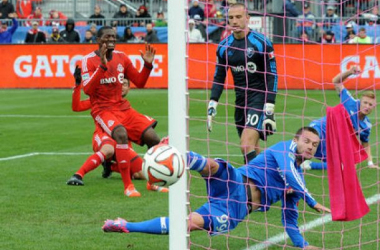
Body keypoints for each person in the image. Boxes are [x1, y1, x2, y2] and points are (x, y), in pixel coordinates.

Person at [102, 127, 331, 249]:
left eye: (314, 145)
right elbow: (289, 172)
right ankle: (176, 154)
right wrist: (313, 201)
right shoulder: (283, 151)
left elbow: (289, 220)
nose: (310, 147)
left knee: (190, 223)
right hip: (235, 181)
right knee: (213, 166)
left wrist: (303, 245)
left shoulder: (296, 183)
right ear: (296, 141)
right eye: (306, 141)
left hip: (236, 211)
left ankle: (125, 225)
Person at [80, 26, 158, 197]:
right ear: (98, 40)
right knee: (121, 134)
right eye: (107, 37)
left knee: (154, 138)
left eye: (114, 37)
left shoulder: (122, 57)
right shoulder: (88, 60)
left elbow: (139, 82)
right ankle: (128, 186)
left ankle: (152, 182)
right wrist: (102, 66)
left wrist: (147, 65)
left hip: (123, 108)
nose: (111, 40)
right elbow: (87, 89)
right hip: (103, 109)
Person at [67, 66, 168, 193]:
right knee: (108, 149)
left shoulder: (125, 107)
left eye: (125, 84)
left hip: (121, 141)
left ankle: (111, 166)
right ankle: (78, 174)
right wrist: (77, 85)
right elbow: (77, 106)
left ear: (129, 89)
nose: (122, 87)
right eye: (121, 84)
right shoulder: (100, 100)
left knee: (141, 174)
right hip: (103, 135)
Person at [207, 3, 278, 163]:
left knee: (246, 145)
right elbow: (219, 77)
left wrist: (270, 105)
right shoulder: (223, 47)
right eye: (231, 18)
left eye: (238, 17)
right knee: (253, 147)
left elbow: (272, 75)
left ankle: (250, 186)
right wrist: (213, 102)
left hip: (259, 98)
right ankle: (268, 181)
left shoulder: (261, 43)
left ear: (247, 18)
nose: (234, 21)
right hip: (240, 101)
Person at [305, 66, 379, 170]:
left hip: (331, 143)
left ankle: (309, 165)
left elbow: (365, 144)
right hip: (321, 128)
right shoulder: (350, 102)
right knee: (307, 144)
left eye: (370, 104)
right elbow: (336, 81)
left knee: (345, 167)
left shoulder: (366, 126)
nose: (367, 106)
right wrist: (350, 72)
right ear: (360, 102)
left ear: (374, 107)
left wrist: (370, 163)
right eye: (365, 103)